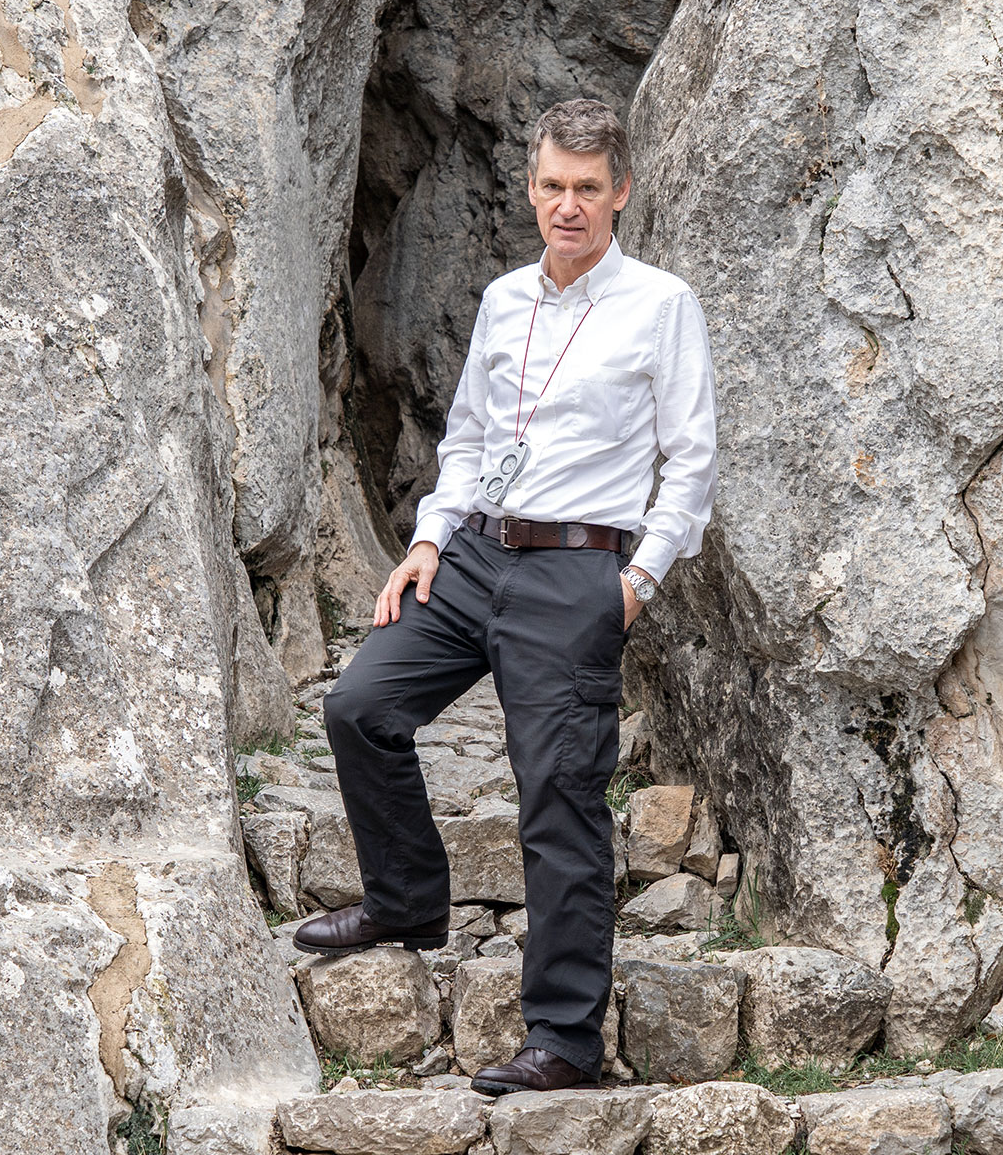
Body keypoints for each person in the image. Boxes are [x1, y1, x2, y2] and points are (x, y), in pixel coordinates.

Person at [293, 99, 719, 1094]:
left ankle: (565, 1039)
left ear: (619, 192)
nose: (566, 206)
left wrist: (632, 586)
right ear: (530, 188)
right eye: (550, 186)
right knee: (362, 707)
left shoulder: (661, 305)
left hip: (578, 571)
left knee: (556, 799)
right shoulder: (502, 300)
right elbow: (474, 440)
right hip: (474, 555)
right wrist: (428, 541)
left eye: (585, 189)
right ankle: (404, 902)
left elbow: (689, 464)